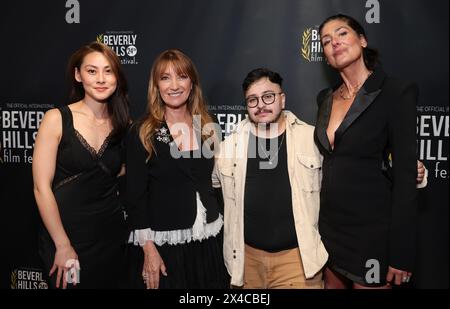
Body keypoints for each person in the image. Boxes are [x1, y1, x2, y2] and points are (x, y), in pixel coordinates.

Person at [315, 14, 419, 288]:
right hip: (329, 231)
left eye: (341, 34)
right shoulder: (325, 99)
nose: (334, 42)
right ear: (325, 56)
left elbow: (406, 178)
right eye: (326, 41)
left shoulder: (395, 92)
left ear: (362, 40)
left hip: (371, 235)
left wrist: (401, 253)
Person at [213, 68, 327, 289]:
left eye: (268, 96)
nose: (261, 105)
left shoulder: (311, 140)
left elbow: (345, 178)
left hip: (298, 263)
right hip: (245, 262)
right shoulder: (229, 147)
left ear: (282, 99)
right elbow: (211, 184)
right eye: (252, 100)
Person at [125, 49, 228, 289]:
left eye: (181, 76)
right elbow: (135, 197)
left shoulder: (207, 125)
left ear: (192, 83)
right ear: (156, 86)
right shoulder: (143, 131)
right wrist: (148, 249)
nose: (174, 85)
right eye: (165, 78)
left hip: (209, 243)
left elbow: (215, 182)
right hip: (164, 247)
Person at [32, 42, 130, 288]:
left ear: (117, 77)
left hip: (110, 238)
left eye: (108, 71)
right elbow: (41, 188)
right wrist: (62, 244)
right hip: (66, 237)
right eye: (92, 71)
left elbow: (123, 172)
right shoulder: (56, 119)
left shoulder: (123, 124)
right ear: (78, 75)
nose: (101, 79)